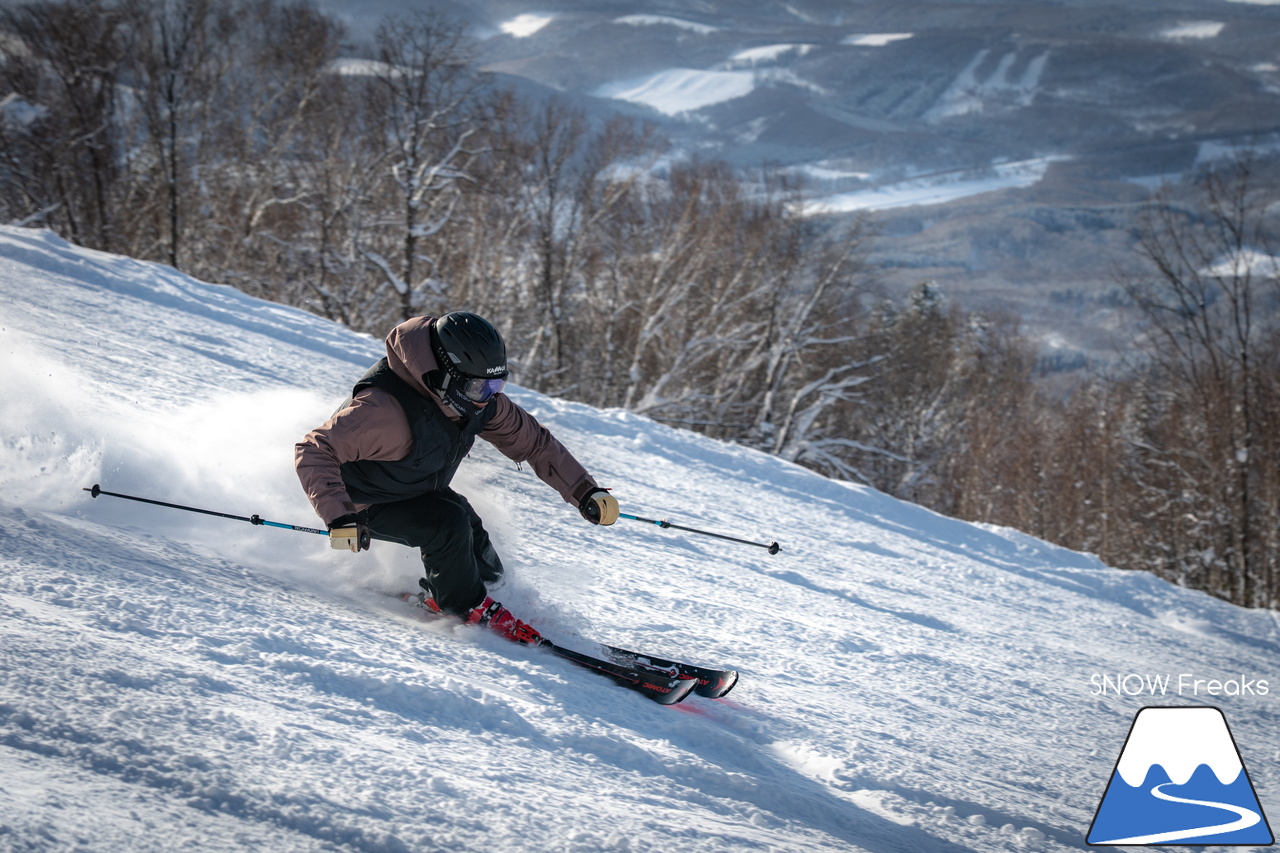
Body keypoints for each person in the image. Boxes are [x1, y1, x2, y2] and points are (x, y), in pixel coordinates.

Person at [294, 312, 619, 644]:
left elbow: (536, 443)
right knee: (446, 524)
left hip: (412, 487)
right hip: (360, 501)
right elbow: (314, 449)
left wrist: (584, 490)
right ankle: (464, 606)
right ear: (444, 376)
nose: (489, 396)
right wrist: (339, 515)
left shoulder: (481, 403)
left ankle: (494, 589)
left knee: (466, 519)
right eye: (480, 386)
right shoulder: (383, 412)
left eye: (497, 385)